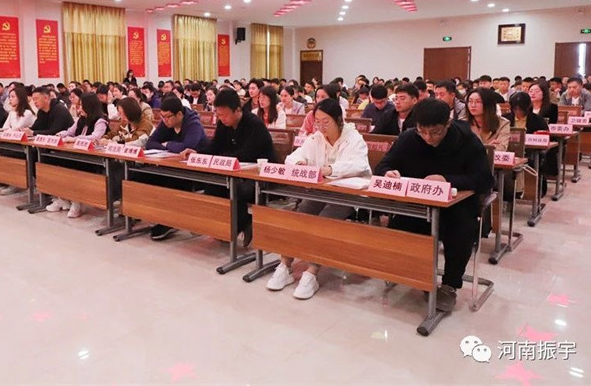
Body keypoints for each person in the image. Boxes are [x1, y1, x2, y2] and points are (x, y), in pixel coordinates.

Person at [375, 99, 494, 312]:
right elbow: (383, 165)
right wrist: (387, 172)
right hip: (419, 203)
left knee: (460, 231)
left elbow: (485, 180)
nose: (428, 138)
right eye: (423, 132)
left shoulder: (467, 140)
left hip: (456, 207)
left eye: (435, 132)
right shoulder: (409, 138)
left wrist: (447, 180)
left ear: (448, 123)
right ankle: (420, 276)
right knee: (398, 229)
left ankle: (449, 285)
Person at [266, 99, 372, 299]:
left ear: (338, 120)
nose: (321, 127)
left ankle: (312, 272)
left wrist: (330, 169)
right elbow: (292, 158)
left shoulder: (354, 138)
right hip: (319, 191)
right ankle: (285, 265)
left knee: (324, 221)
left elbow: (359, 165)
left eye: (326, 122)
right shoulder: (315, 138)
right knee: (300, 216)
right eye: (317, 121)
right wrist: (300, 163)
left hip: (347, 195)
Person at [166, 89, 275, 244]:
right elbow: (214, 146)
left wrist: (219, 159)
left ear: (237, 110)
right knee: (212, 185)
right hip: (233, 173)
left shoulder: (254, 125)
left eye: (225, 115)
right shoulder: (223, 125)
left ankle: (240, 224)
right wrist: (197, 153)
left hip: (258, 176)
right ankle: (222, 227)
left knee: (236, 189)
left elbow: (246, 154)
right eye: (219, 115)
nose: (222, 119)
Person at [47, 93, 109, 217]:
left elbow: (94, 137)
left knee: (72, 166)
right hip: (77, 153)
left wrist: (74, 139)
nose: (79, 109)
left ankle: (77, 201)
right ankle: (62, 198)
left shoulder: (101, 121)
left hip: (93, 158)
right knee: (53, 161)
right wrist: (60, 135)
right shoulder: (81, 119)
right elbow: (70, 131)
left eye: (81, 106)